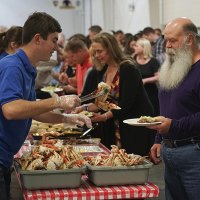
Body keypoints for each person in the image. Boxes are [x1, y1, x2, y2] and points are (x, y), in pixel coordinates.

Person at [0, 12, 91, 200]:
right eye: (54, 41)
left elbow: (33, 108)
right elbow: (10, 109)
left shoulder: (27, 68)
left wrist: (66, 119)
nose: (56, 48)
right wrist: (57, 101)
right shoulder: (12, 66)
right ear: (37, 39)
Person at [76, 32, 154, 154]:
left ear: (111, 49)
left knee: (131, 161)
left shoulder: (128, 68)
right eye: (95, 52)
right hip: (115, 122)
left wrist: (103, 117)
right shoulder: (103, 70)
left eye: (100, 51)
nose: (97, 55)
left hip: (132, 124)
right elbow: (103, 102)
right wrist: (84, 107)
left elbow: (125, 103)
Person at [149, 17, 200, 200]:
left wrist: (174, 126)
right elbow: (167, 108)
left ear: (190, 39)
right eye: (165, 40)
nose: (167, 46)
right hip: (169, 150)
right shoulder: (173, 66)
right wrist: (158, 138)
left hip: (194, 152)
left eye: (173, 40)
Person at [133, 38, 160, 116]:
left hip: (150, 94)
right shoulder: (133, 60)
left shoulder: (153, 61)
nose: (134, 47)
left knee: (151, 116)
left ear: (143, 48)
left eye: (136, 46)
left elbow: (158, 77)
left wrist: (145, 80)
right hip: (136, 94)